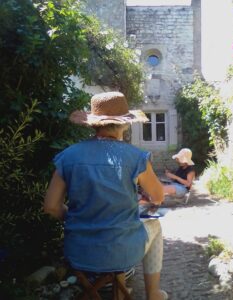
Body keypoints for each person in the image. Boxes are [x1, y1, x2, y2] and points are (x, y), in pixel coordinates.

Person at [43, 92, 168, 300]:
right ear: (125, 124)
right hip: (121, 255)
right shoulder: (135, 157)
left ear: (94, 124)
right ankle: (153, 292)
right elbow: (158, 197)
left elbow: (51, 206)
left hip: (78, 254)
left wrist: (79, 218)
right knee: (155, 226)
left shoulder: (69, 155)